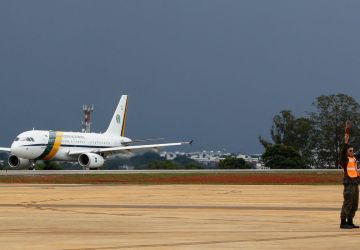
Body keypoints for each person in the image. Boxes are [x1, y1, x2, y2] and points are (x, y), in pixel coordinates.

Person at [340, 130, 360, 229]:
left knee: (355, 203)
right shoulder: (344, 160)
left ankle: (350, 221)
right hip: (349, 183)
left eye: (353, 150)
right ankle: (343, 223)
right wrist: (346, 142)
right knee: (348, 202)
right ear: (347, 152)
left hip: (355, 183)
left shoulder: (354, 159)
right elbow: (343, 152)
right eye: (350, 150)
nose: (352, 152)